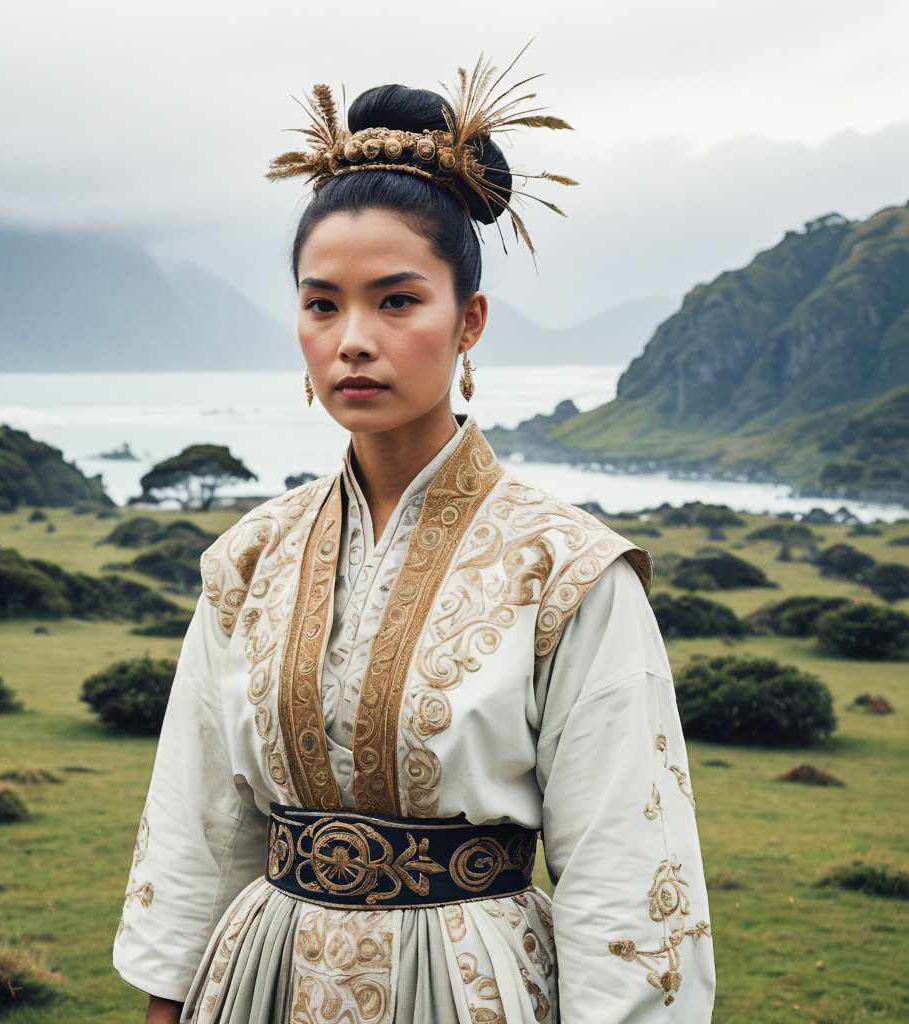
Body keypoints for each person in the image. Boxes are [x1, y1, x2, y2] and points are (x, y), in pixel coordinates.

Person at [112, 44, 716, 1024]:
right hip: (261, 979)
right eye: (321, 303)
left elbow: (624, 865)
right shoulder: (249, 560)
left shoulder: (567, 573)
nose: (352, 338)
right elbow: (199, 822)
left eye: (396, 300)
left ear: (468, 319)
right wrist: (168, 1002)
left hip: (468, 981)